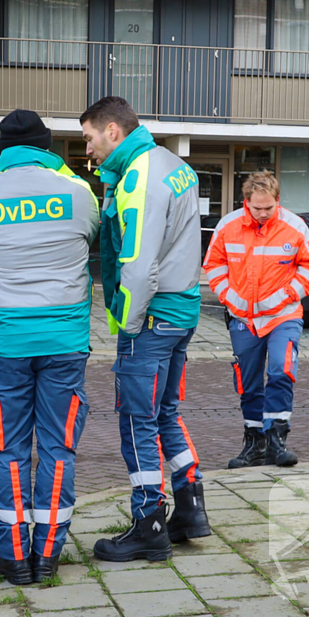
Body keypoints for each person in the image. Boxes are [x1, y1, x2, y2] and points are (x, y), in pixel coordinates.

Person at [0, 109, 99, 584]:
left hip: (7, 343)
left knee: (10, 452)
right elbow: (91, 242)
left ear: (2, 151)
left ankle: (13, 557)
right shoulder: (79, 193)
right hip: (65, 341)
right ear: (46, 147)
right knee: (60, 449)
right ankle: (48, 554)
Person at [79, 97, 210, 562]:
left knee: (137, 422)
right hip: (182, 311)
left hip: (151, 317)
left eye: (90, 139)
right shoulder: (175, 166)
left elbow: (136, 262)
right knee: (166, 414)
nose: (88, 150)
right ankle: (190, 507)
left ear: (112, 130)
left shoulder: (139, 176)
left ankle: (148, 524)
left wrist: (128, 326)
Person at [203, 170, 309, 468]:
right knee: (249, 382)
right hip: (243, 318)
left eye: (268, 208)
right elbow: (214, 264)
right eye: (257, 208)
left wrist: (288, 295)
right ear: (246, 201)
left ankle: (276, 440)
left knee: (281, 372)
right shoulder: (228, 226)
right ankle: (254, 442)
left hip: (283, 316)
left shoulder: (294, 227)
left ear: (277, 201)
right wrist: (231, 298)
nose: (262, 214)